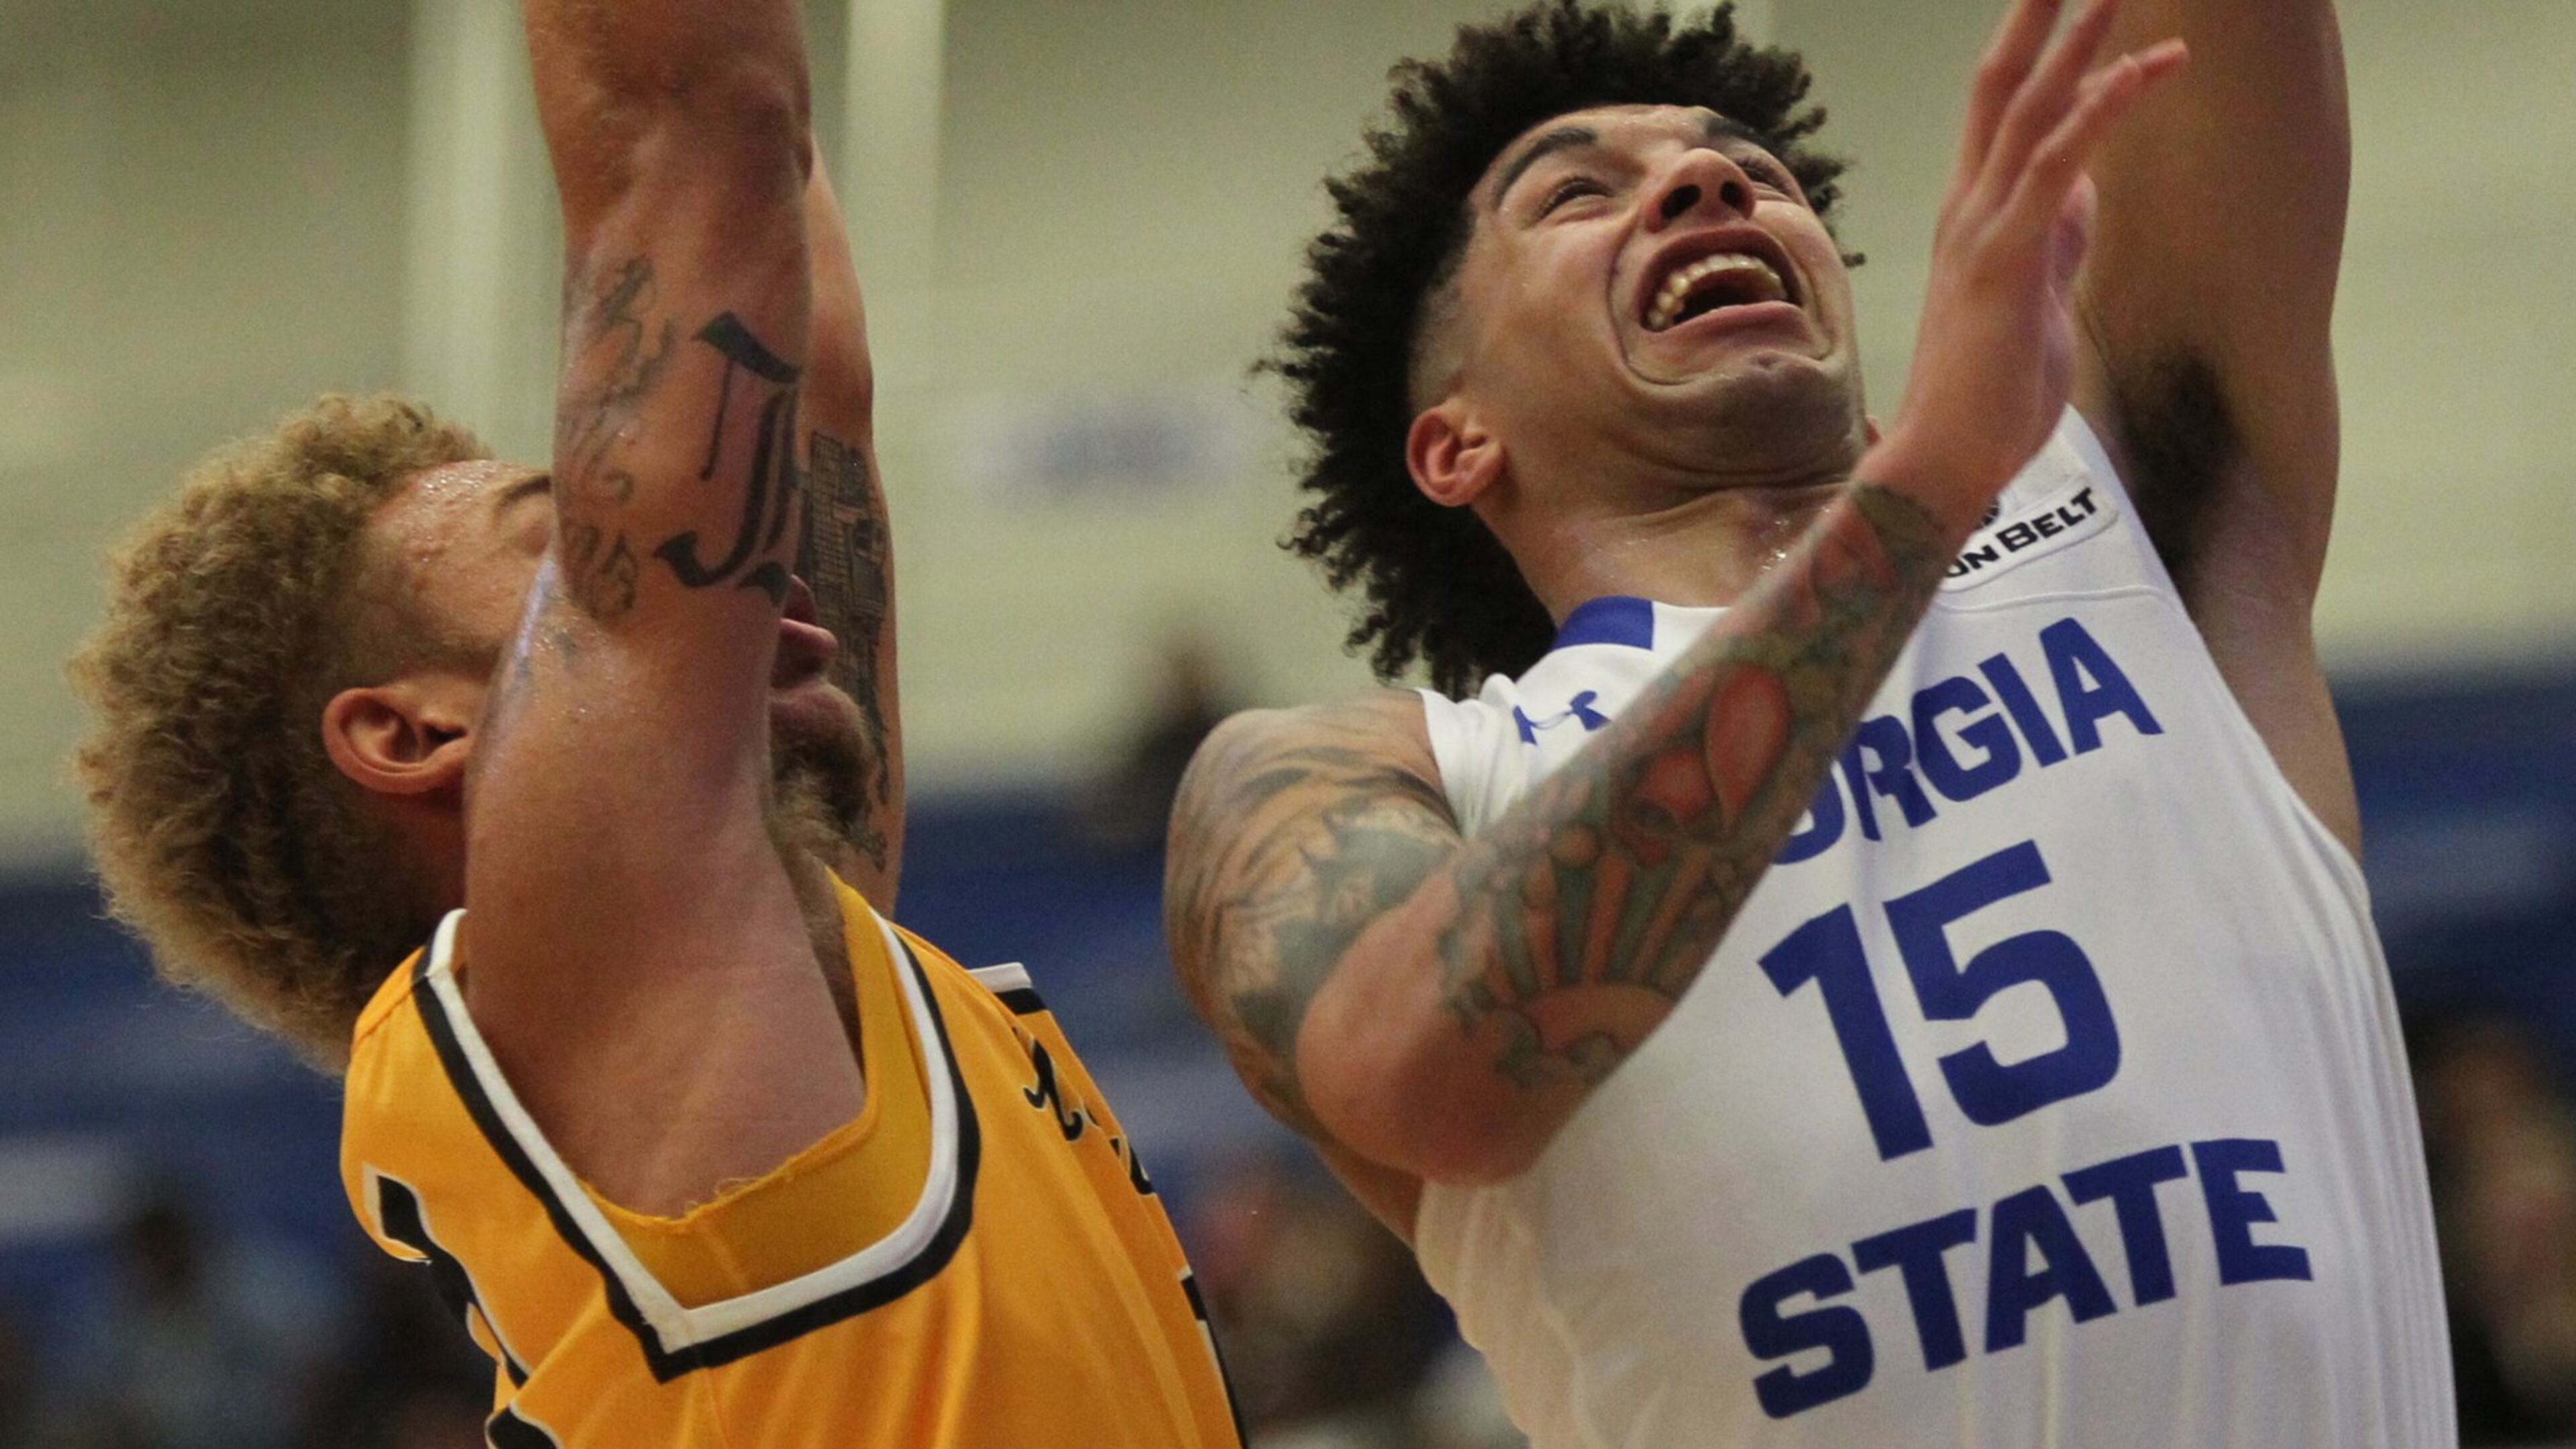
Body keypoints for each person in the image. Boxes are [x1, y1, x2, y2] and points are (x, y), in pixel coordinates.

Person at [1165, 0, 2453, 1442]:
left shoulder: (2127, 516)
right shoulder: (1370, 773)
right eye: (1581, 196)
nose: (1710, 185)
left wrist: (1941, 487)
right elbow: (1436, 1082)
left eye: (1751, 171)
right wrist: (1920, 491)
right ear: (1456, 439)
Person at [71, 1, 1239, 1444]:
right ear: (413, 734)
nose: (745, 572)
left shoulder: (785, 1010)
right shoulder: (598, 947)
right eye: (567, 536)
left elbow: (806, 363)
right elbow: (692, 124)